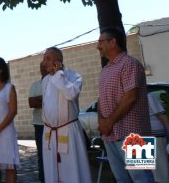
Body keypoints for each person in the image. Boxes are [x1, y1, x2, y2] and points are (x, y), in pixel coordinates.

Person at [97, 27, 154, 183]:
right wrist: (101, 122)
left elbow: (131, 96)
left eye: (100, 42)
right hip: (110, 135)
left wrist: (108, 122)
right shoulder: (105, 70)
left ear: (113, 42)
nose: (97, 46)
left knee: (143, 178)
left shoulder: (130, 64)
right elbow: (101, 99)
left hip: (135, 134)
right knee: (121, 179)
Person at [41, 47, 91, 183]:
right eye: (44, 58)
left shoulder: (75, 76)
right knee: (52, 168)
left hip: (68, 130)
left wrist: (59, 75)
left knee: (71, 168)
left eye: (47, 59)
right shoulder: (45, 80)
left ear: (58, 61)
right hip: (49, 132)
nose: (44, 62)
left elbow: (70, 94)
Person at [28, 61, 47, 183]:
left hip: (56, 125)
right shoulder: (35, 85)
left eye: (44, 65)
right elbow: (31, 103)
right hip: (40, 126)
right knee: (41, 155)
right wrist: (46, 99)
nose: (43, 68)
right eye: (41, 66)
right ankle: (43, 179)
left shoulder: (57, 83)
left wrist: (41, 99)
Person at [148, 93, 169, 183]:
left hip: (155, 136)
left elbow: (163, 118)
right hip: (139, 137)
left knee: (159, 170)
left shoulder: (148, 96)